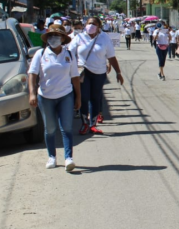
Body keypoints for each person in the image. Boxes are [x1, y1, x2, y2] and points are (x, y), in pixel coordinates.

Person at [27, 24, 81, 172]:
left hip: (65, 95)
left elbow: (75, 77)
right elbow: (32, 74)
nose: (54, 39)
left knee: (67, 127)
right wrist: (32, 93)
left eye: (57, 36)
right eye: (51, 36)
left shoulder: (68, 55)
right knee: (50, 129)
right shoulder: (40, 54)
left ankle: (68, 158)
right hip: (46, 96)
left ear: (63, 38)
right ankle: (52, 157)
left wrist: (78, 97)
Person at [69, 17, 124, 135]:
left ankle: (92, 125)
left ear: (99, 26)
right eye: (89, 23)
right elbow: (69, 54)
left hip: (99, 73)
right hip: (83, 72)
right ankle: (84, 123)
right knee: (83, 97)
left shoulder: (104, 38)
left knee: (95, 98)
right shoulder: (79, 37)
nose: (91, 26)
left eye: (94, 24)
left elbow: (111, 56)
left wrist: (118, 72)